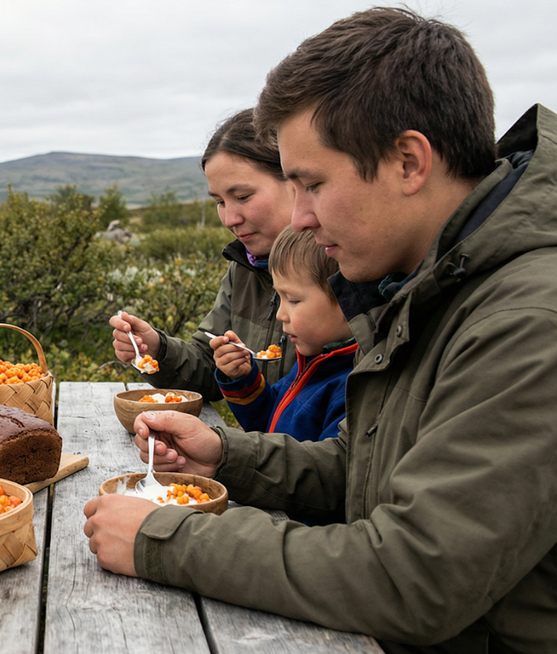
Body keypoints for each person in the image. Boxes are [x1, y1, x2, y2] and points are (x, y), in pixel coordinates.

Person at [84, 7, 557, 652]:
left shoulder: (527, 320)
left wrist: (162, 537)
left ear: (408, 162)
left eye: (311, 183)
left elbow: (414, 577)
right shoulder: (426, 285)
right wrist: (225, 455)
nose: (300, 217)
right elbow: (364, 470)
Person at [111, 108, 295, 400]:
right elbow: (211, 368)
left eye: (243, 197)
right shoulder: (244, 268)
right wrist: (157, 348)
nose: (230, 219)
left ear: (295, 180)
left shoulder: (341, 269)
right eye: (220, 202)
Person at [212, 225, 354, 441]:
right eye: (279, 298)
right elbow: (268, 420)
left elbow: (319, 460)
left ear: (347, 300)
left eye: (293, 300)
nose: (280, 315)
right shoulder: (311, 363)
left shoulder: (349, 389)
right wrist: (243, 378)